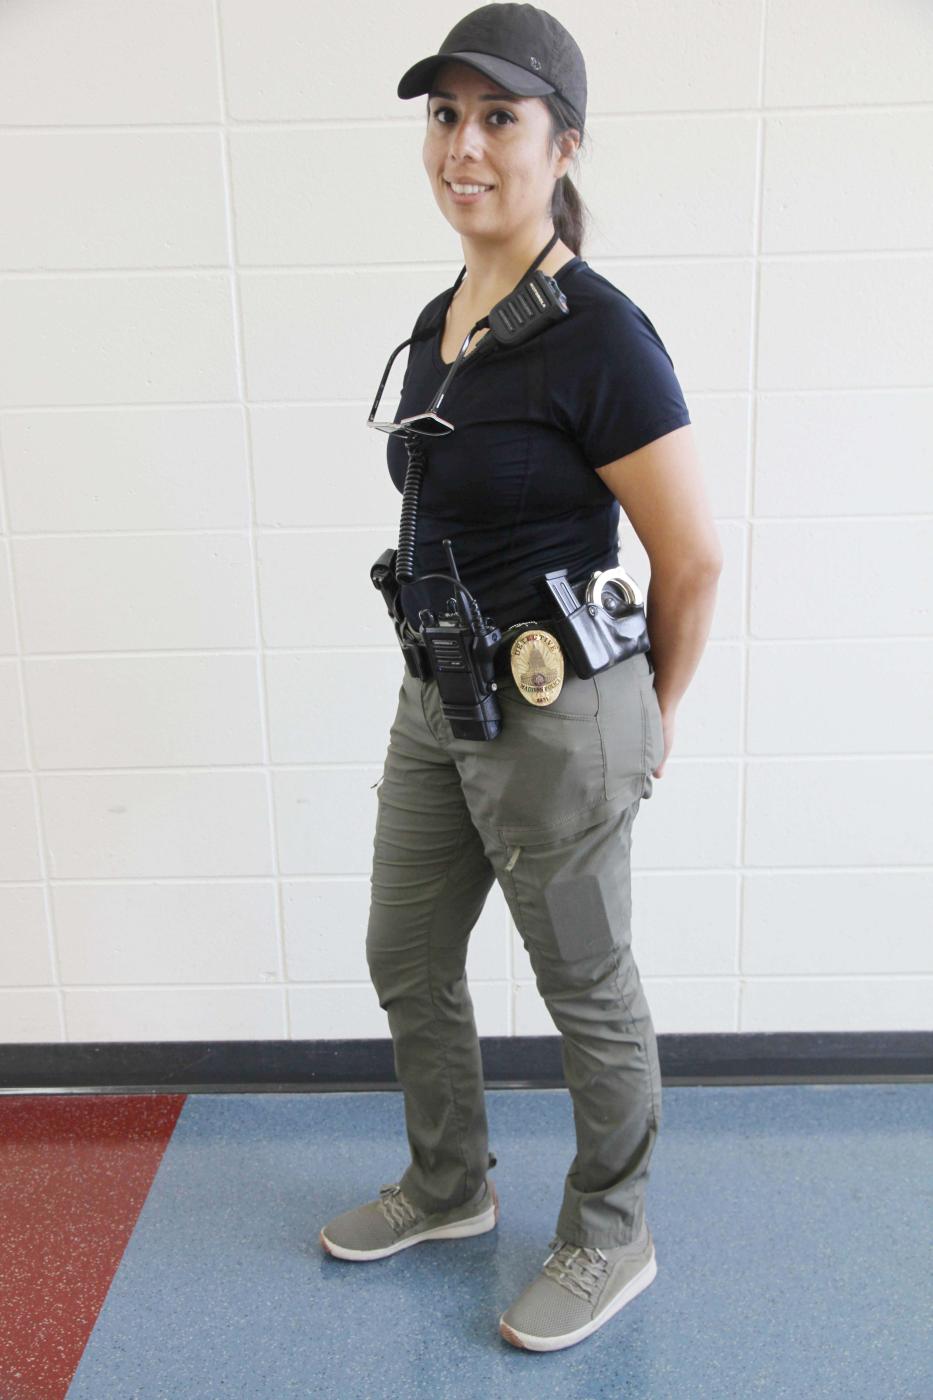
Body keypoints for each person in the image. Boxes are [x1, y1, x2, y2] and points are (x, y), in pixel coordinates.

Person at [319, 3, 722, 1354]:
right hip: (439, 697)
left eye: (499, 117)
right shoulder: (445, 317)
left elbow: (691, 557)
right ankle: (449, 1189)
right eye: (445, 115)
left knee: (585, 989)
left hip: (557, 716)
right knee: (404, 951)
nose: (464, 146)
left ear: (563, 145)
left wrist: (652, 717)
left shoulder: (599, 334)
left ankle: (612, 1234)